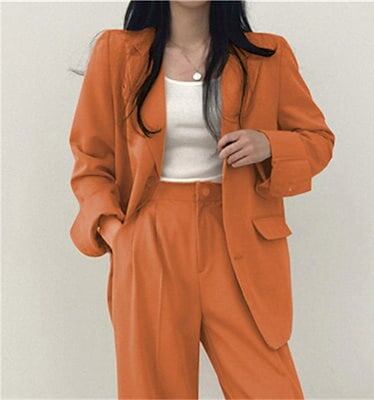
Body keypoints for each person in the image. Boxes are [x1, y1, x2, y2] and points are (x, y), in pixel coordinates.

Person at [68, 1, 335, 399]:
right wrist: (117, 234)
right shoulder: (117, 53)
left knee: (270, 388)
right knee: (153, 390)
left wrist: (269, 144)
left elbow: (318, 141)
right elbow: (92, 159)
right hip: (150, 239)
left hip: (238, 240)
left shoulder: (267, 56)